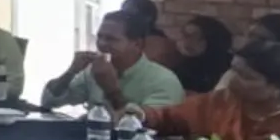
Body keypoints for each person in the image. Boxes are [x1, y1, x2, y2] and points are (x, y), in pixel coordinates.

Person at [139, 40, 280, 140]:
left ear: (276, 88)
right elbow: (170, 117)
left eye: (246, 77)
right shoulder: (222, 101)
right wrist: (142, 114)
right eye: (234, 70)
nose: (234, 80)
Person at [41, 10, 186, 111]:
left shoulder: (163, 81)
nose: (102, 44)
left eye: (111, 39)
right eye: (100, 37)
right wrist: (71, 72)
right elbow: (48, 102)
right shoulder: (93, 72)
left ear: (137, 44)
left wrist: (111, 90)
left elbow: (142, 125)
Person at [171, 16, 236, 93]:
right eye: (185, 35)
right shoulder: (179, 65)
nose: (186, 41)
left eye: (194, 36)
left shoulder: (231, 66)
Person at [121, 0, 179, 65]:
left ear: (148, 18)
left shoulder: (156, 44)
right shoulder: (129, 40)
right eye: (123, 14)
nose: (125, 19)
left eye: (129, 15)